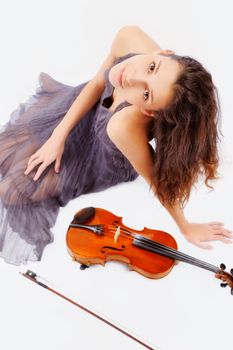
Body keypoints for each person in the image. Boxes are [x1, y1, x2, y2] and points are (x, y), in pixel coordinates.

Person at [0, 25, 232, 265]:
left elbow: (157, 182)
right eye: (152, 67)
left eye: (146, 94)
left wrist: (186, 227)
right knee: (7, 149)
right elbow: (97, 84)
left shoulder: (122, 126)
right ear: (163, 53)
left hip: (101, 155)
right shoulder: (129, 37)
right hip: (84, 108)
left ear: (148, 111)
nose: (132, 78)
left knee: (11, 192)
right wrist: (57, 137)